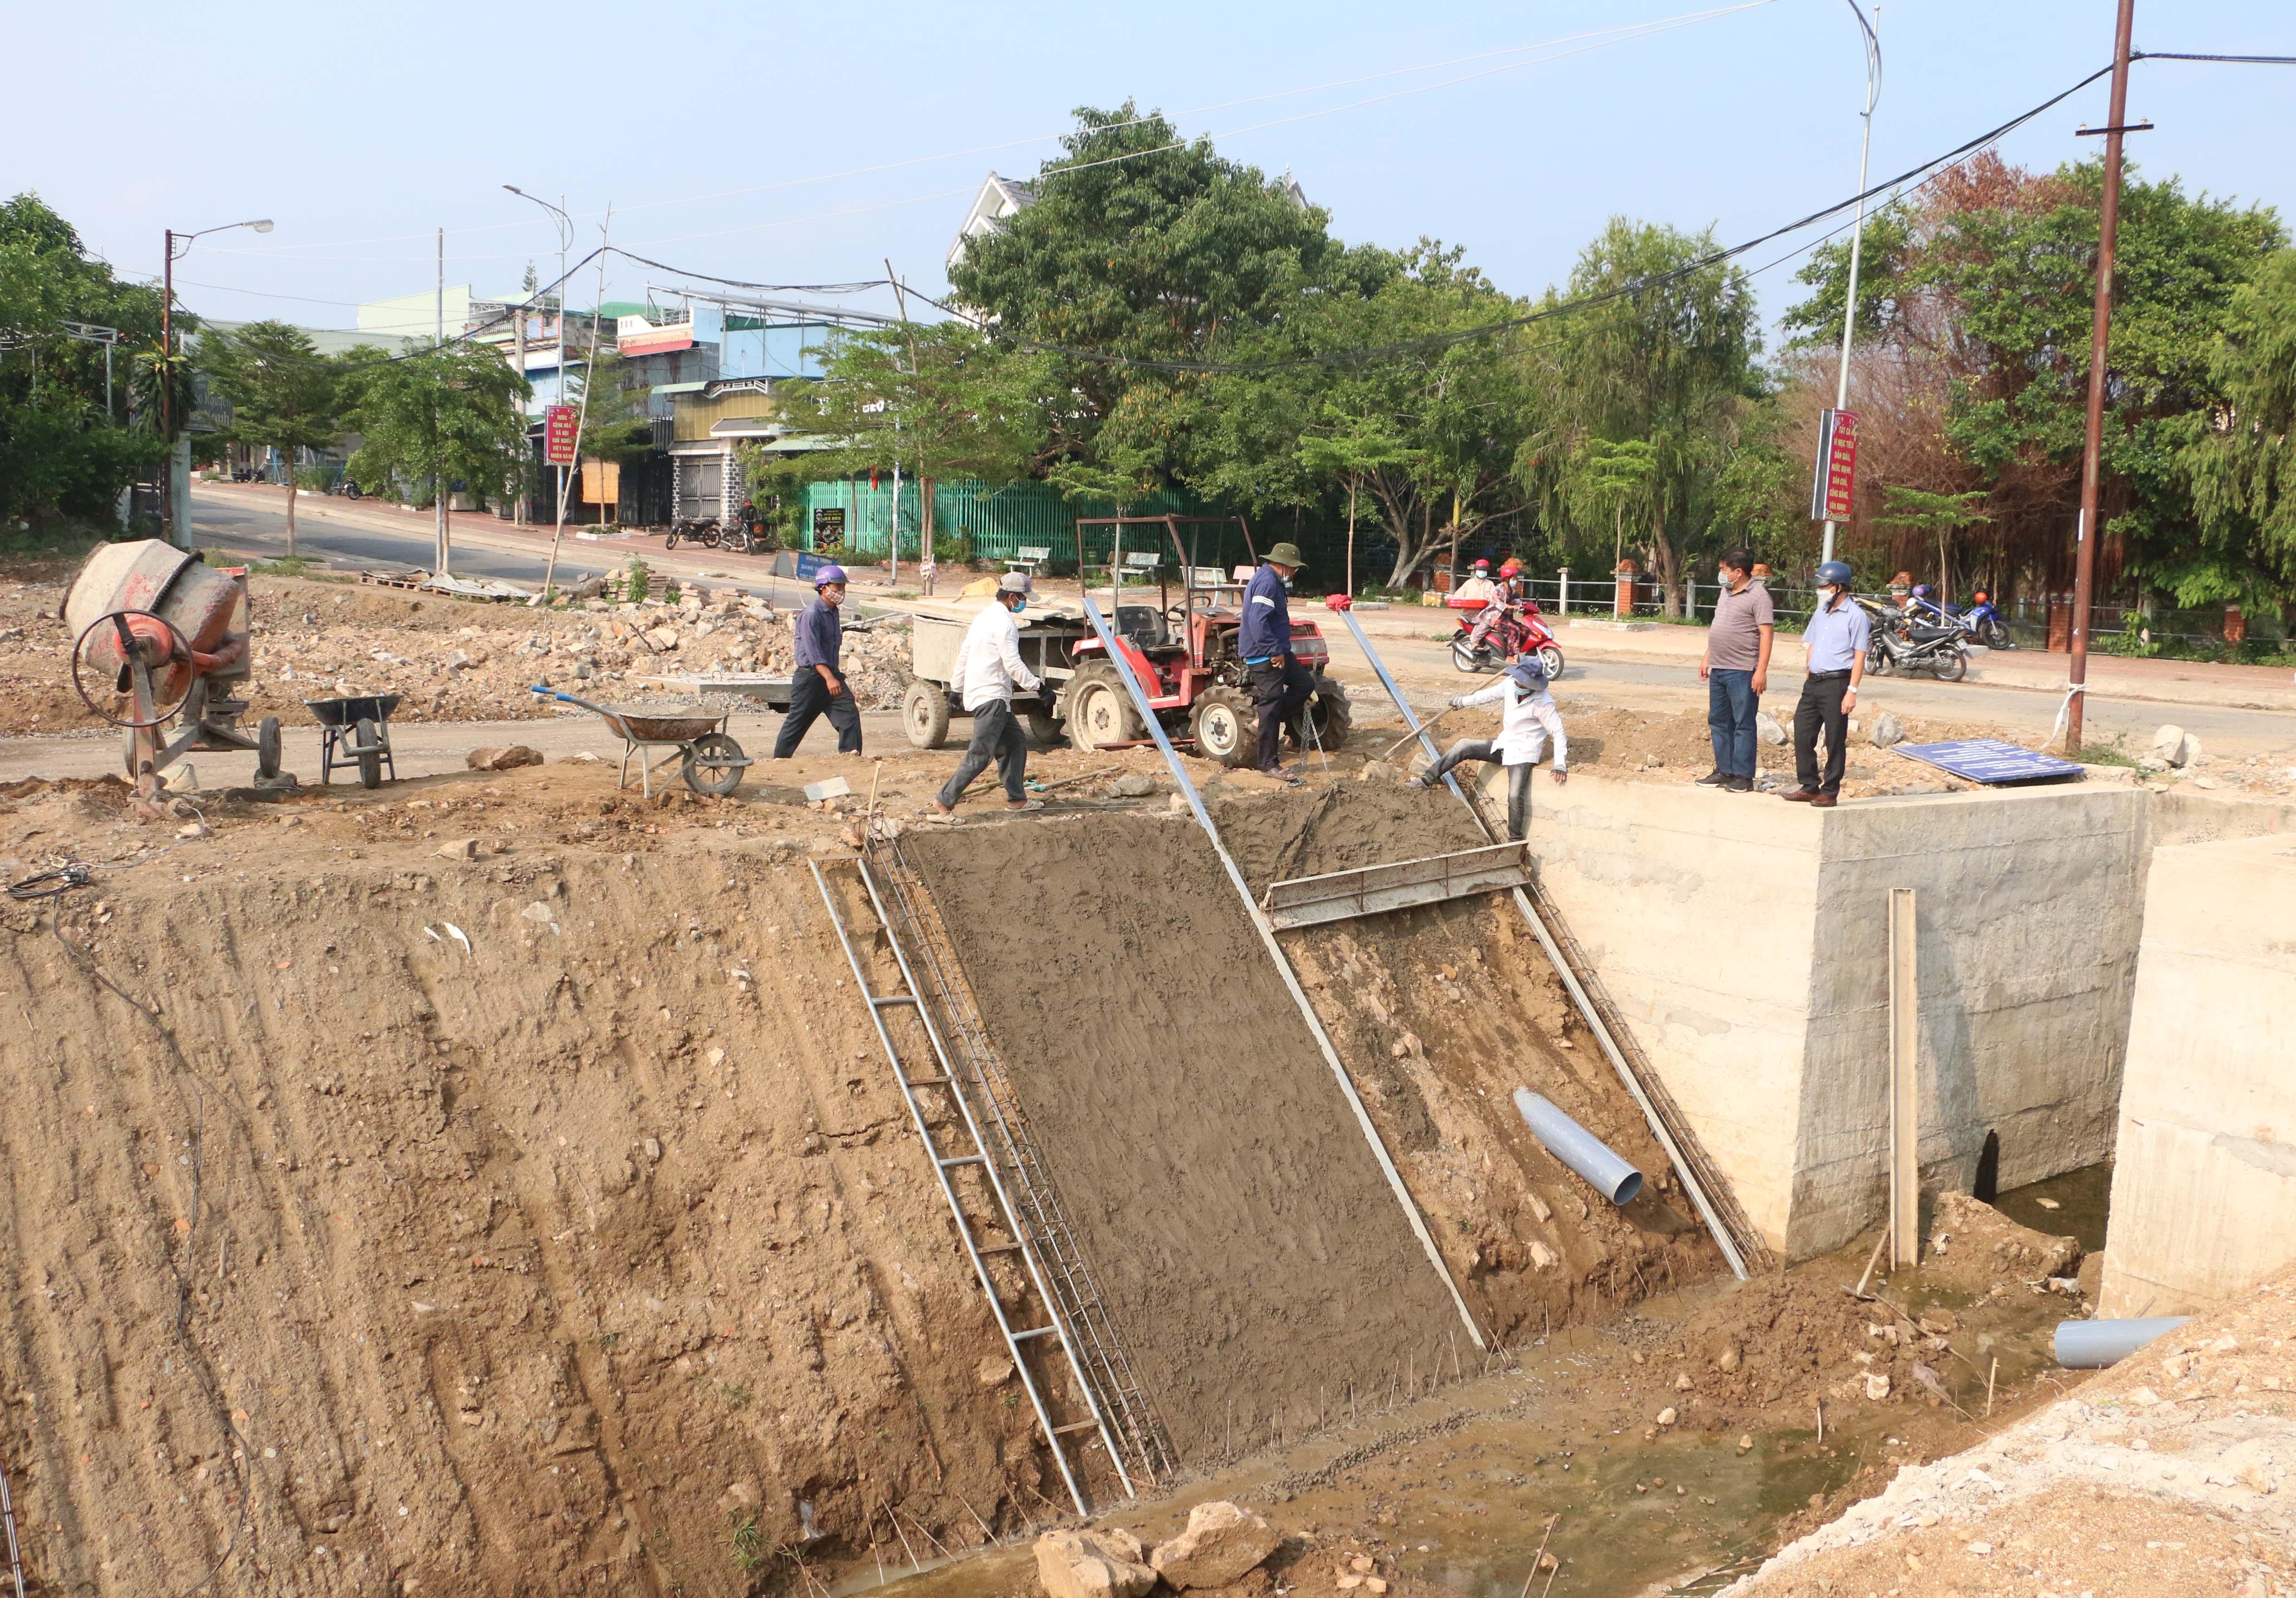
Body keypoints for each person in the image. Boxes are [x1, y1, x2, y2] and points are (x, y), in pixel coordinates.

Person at [1411, 653, 1567, 840]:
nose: (1520, 686)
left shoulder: (1544, 703)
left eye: (1525, 685)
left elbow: (1558, 732)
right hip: (1504, 744)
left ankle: (1514, 840)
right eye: (1519, 682)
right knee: (1464, 746)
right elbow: (1487, 696)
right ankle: (1427, 780)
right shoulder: (1511, 684)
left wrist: (1560, 764)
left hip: (1524, 752)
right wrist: (1462, 702)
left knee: (1514, 795)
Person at [930, 574, 1045, 822]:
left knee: (1015, 744)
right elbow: (1012, 662)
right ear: (1012, 597)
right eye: (1023, 598)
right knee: (980, 755)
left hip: (991, 697)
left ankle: (1017, 800)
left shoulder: (983, 618)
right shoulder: (1005, 624)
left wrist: (957, 687)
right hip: (991, 696)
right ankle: (943, 802)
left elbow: (965, 653)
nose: (1025, 602)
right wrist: (1038, 686)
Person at [1781, 559, 1870, 809]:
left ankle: (1830, 791)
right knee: (1802, 731)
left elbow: (1860, 656)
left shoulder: (1857, 617)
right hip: (1814, 683)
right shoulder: (1821, 612)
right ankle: (1809, 785)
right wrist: (1809, 669)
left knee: (1834, 739)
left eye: (1826, 585)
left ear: (1840, 586)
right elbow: (1811, 642)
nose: (1822, 589)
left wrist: (1851, 691)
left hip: (1837, 683)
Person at [1696, 548, 1774, 794]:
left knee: (1743, 724)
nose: (1721, 574)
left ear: (1738, 572)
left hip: (1742, 670)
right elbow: (1719, 626)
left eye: (1724, 571)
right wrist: (1707, 657)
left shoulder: (1759, 597)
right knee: (1719, 721)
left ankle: (1743, 776)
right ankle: (1724, 770)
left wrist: (1761, 671)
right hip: (1719, 667)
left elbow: (1767, 634)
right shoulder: (1725, 592)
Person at [1240, 541, 1314, 782]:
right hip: (1265, 654)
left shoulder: (1272, 581)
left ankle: (1263, 720)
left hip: (1279, 651)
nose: (1295, 573)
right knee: (1271, 703)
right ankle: (1268, 763)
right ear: (1283, 566)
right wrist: (1273, 651)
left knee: (1304, 685)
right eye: (1294, 569)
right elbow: (1257, 621)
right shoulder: (1267, 583)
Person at [771, 564, 863, 758]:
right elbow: (814, 653)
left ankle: (851, 756)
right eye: (837, 589)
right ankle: (779, 760)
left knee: (848, 712)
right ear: (823, 588)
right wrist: (829, 678)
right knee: (797, 723)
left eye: (843, 589)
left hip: (831, 675)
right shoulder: (812, 615)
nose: (841, 593)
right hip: (810, 680)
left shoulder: (834, 612)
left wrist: (833, 676)